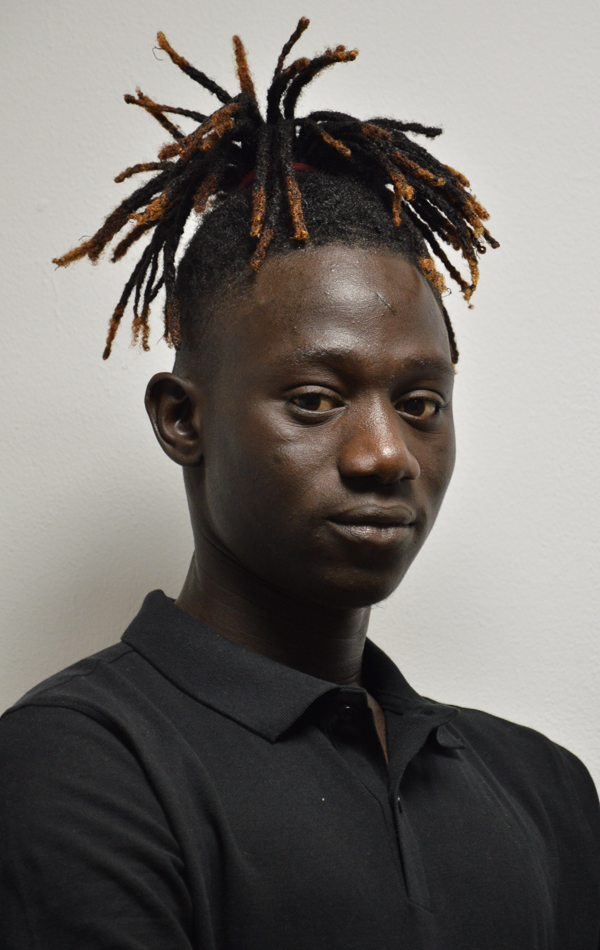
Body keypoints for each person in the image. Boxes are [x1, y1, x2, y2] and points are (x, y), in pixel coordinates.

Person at [0, 18, 598, 949]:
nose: (386, 454)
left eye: (421, 404)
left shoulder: (544, 787)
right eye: (316, 400)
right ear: (182, 420)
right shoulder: (78, 762)